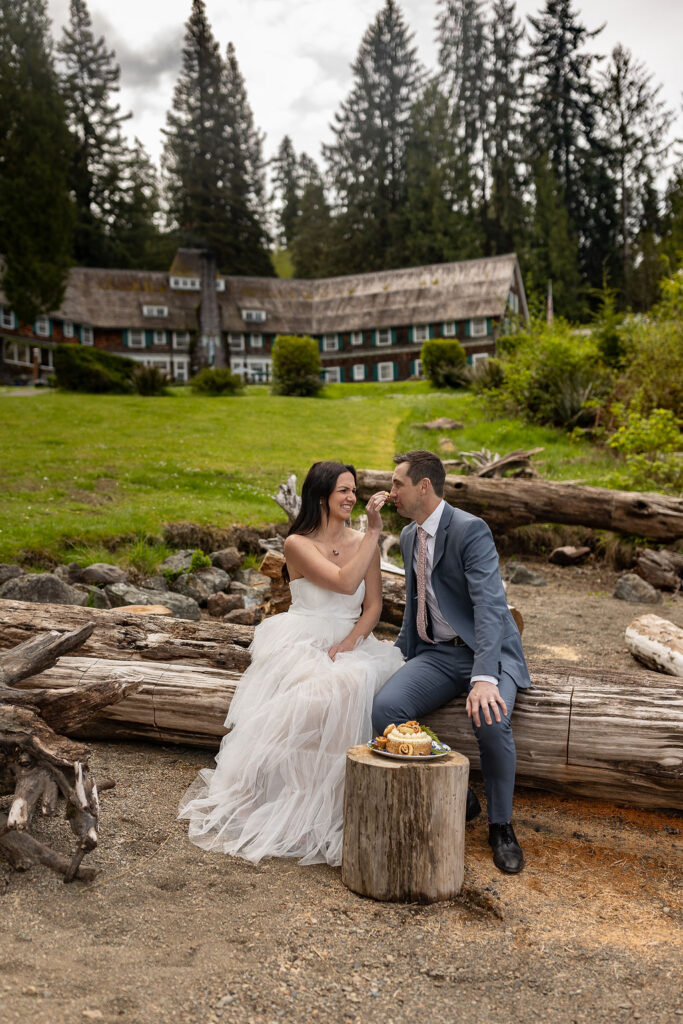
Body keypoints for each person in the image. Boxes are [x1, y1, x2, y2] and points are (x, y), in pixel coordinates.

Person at [179, 460, 403, 866]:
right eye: (344, 491)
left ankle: (339, 802)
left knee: (355, 682)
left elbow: (372, 605)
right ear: (321, 496)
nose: (352, 497)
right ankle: (275, 797)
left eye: (354, 490)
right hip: (302, 637)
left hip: (351, 640)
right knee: (312, 697)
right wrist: (374, 532)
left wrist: (352, 641)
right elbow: (342, 583)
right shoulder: (297, 543)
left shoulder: (363, 541)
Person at [372, 450, 531, 874]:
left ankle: (501, 826)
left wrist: (484, 676)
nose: (391, 494)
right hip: (439, 655)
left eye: (397, 485)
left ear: (424, 486)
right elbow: (416, 602)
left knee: (492, 719)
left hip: (488, 652)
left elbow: (491, 605)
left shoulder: (470, 529)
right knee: (386, 708)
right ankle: (462, 796)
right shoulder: (408, 536)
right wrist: (402, 652)